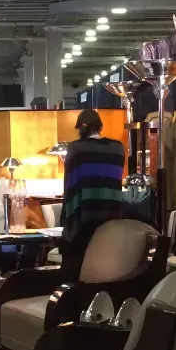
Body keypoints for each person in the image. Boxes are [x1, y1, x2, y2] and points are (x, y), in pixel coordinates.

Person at [60, 109, 126, 276]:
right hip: (111, 219)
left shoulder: (75, 149)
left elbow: (70, 188)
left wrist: (66, 222)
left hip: (84, 219)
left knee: (75, 263)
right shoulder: (118, 148)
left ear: (81, 128)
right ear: (100, 127)